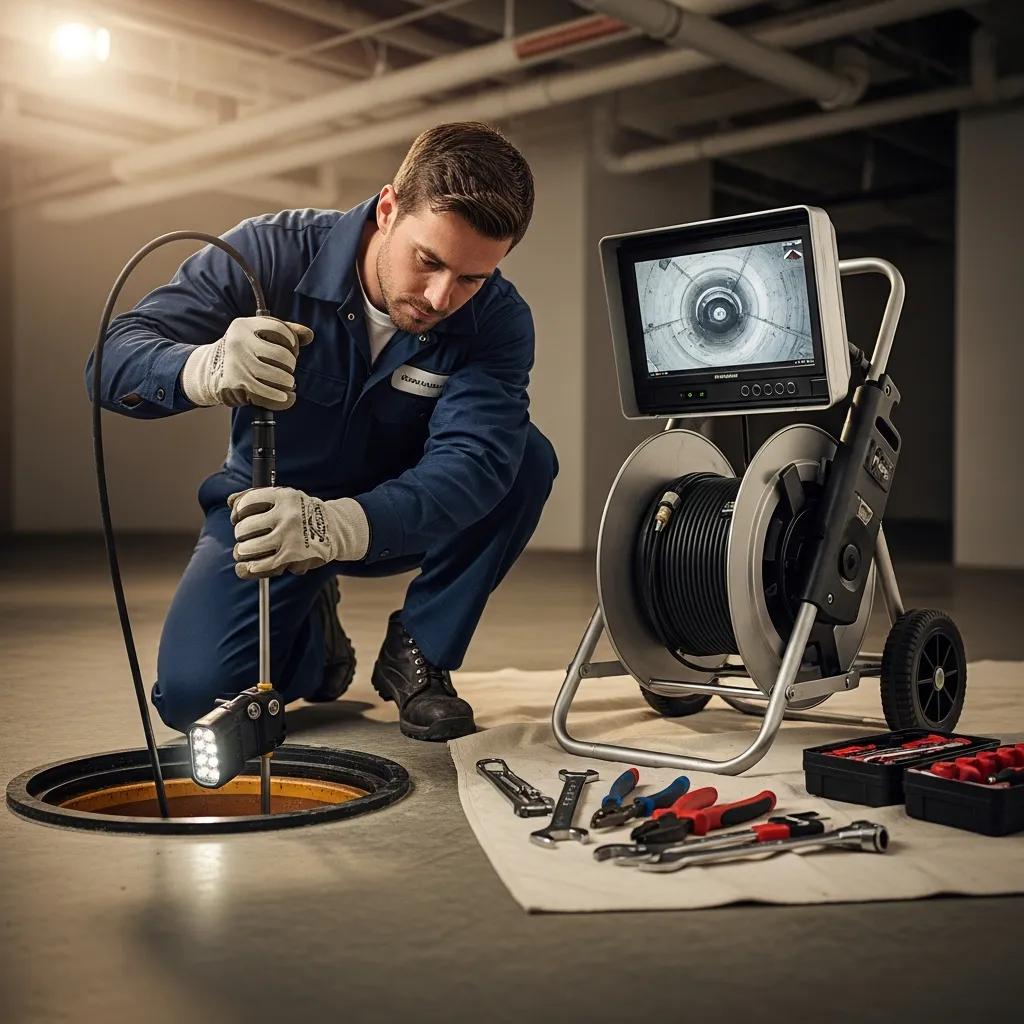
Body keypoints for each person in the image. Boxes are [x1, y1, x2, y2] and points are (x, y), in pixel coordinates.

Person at [86, 121, 557, 742]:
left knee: (523, 457)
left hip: (392, 519)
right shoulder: (267, 254)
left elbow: (473, 464)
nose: (442, 296)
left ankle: (421, 651)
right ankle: (316, 643)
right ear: (388, 209)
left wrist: (336, 525)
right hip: (263, 511)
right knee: (195, 700)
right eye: (429, 261)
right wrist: (204, 368)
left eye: (471, 278)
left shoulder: (498, 321)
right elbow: (110, 360)